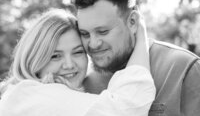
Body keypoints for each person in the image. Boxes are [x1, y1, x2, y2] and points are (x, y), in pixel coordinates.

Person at [71, 0, 200, 115]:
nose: (93, 44)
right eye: (85, 34)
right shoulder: (83, 81)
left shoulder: (183, 68)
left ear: (132, 21)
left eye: (103, 31)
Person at [0, 8, 155, 116]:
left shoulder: (21, 93)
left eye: (78, 52)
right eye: (55, 56)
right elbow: (126, 108)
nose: (69, 65)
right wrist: (141, 35)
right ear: (34, 58)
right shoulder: (35, 97)